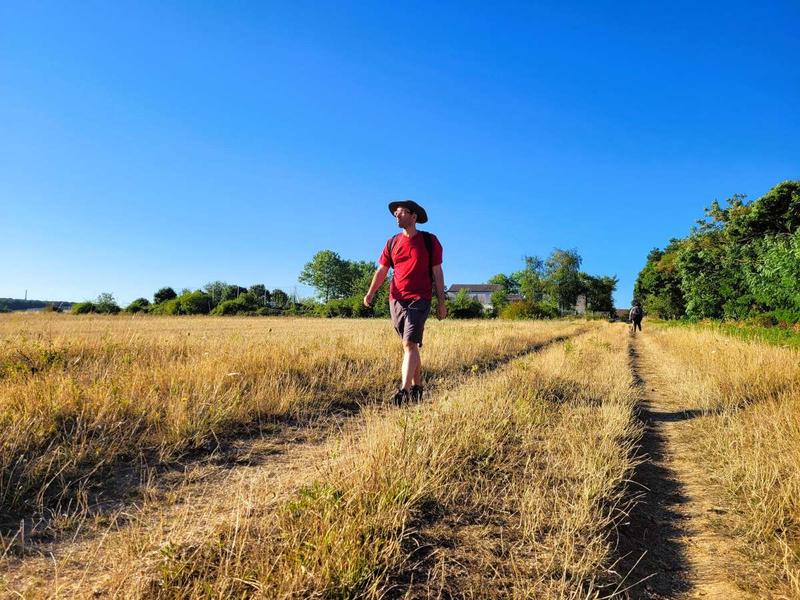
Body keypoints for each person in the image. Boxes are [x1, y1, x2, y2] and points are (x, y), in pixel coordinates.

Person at [363, 199, 447, 405]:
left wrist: (441, 302)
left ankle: (404, 391)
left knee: (409, 343)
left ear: (413, 216)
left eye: (400, 213)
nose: (396, 217)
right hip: (397, 299)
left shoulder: (430, 241)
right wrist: (371, 292)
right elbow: (382, 270)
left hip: (420, 298)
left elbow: (437, 272)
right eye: (395, 214)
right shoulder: (392, 242)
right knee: (410, 345)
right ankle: (418, 387)